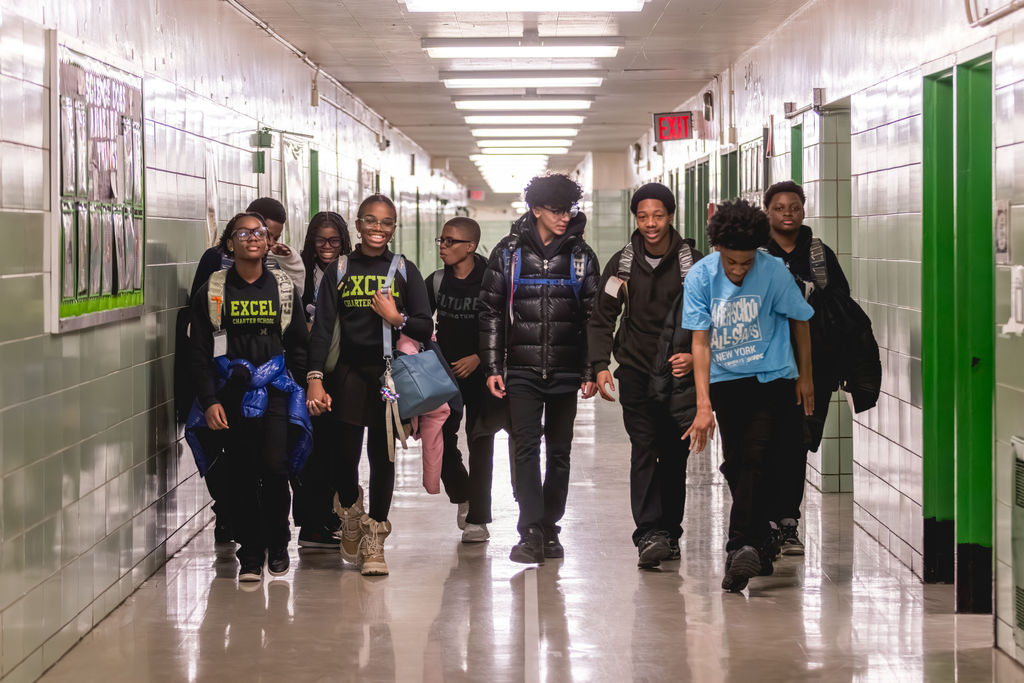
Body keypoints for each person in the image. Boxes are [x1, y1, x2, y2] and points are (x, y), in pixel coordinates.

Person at [681, 199, 815, 592]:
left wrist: (806, 377)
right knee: (738, 463)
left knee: (756, 456)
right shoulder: (701, 277)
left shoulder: (772, 271)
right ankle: (762, 539)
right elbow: (700, 342)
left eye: (746, 263)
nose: (739, 271)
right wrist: (703, 405)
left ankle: (740, 546)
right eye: (732, 263)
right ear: (718, 250)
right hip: (726, 381)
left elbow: (800, 321)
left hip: (771, 377)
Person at [305, 194, 433, 576]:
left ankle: (375, 537)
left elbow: (425, 325)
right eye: (371, 221)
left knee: (383, 456)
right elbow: (323, 327)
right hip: (346, 373)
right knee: (344, 457)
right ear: (357, 225)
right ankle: (350, 510)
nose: (379, 229)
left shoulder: (404, 269)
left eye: (387, 222)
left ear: (394, 228)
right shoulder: (340, 268)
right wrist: (314, 378)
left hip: (389, 376)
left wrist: (397, 318)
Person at [478, 173, 600, 565]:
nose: (565, 217)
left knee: (559, 453)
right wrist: (494, 365)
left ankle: (550, 526)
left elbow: (593, 317)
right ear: (536, 210)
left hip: (565, 371)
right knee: (525, 449)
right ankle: (529, 530)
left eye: (569, 210)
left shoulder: (581, 256)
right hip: (522, 372)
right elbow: (491, 311)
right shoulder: (508, 253)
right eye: (556, 210)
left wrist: (589, 369)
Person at [186, 211, 311, 582]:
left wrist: (307, 387)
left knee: (274, 466)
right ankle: (251, 553)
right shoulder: (214, 289)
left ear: (269, 242)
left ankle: (278, 541)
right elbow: (198, 351)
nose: (252, 238)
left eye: (258, 232)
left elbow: (299, 346)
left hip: (273, 390)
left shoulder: (283, 288)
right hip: (229, 393)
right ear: (230, 243)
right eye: (243, 233)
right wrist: (209, 401)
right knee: (240, 472)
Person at [587, 182, 703, 569]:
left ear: (670, 216)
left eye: (658, 216)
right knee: (644, 448)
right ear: (635, 219)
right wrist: (600, 364)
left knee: (674, 454)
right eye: (642, 216)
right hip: (636, 369)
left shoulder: (694, 263)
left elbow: (711, 318)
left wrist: (693, 356)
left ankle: (670, 531)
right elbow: (603, 317)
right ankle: (649, 533)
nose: (650, 224)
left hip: (679, 373)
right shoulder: (622, 263)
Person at [763, 180, 851, 556]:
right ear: (767, 210)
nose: (787, 213)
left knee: (796, 444)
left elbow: (841, 307)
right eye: (779, 207)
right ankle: (763, 520)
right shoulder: (753, 252)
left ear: (803, 209)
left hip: (811, 367)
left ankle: (788, 522)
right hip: (763, 364)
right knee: (763, 442)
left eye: (794, 206)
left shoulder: (819, 254)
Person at [427, 217, 495, 543]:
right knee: (438, 439)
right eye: (441, 240)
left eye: (451, 241)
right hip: (445, 376)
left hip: (483, 375)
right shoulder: (437, 281)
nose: (443, 246)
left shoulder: (493, 281)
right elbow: (418, 322)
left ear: (470, 246)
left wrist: (479, 357)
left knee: (480, 442)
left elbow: (507, 326)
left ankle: (478, 518)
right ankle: (463, 494)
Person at [292, 211, 353, 549]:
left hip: (343, 370)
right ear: (311, 242)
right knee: (312, 449)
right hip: (308, 371)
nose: (327, 247)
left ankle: (328, 515)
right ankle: (311, 523)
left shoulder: (350, 270)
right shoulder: (299, 273)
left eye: (334, 240)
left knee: (338, 450)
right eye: (321, 240)